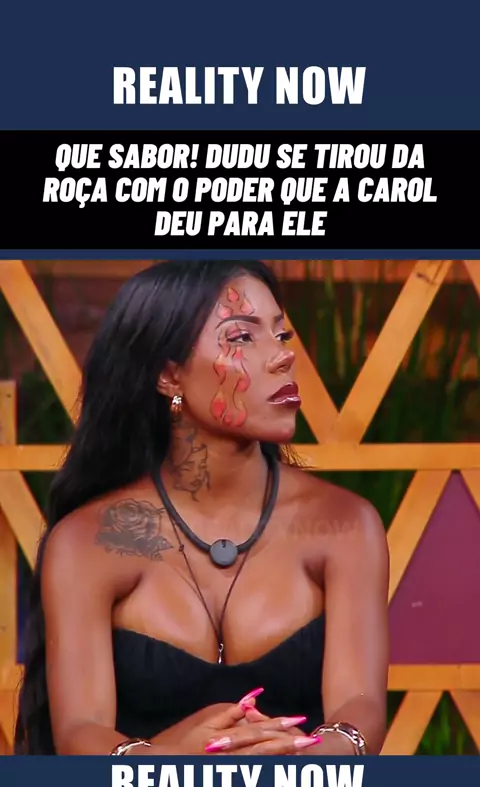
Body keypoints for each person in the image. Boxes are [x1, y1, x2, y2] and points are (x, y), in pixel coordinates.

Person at [14, 260, 390, 757]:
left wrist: (309, 757)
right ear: (169, 375)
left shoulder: (344, 525)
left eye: (281, 334)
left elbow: (361, 705)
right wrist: (174, 764)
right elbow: (81, 730)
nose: (282, 357)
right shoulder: (88, 542)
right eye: (242, 337)